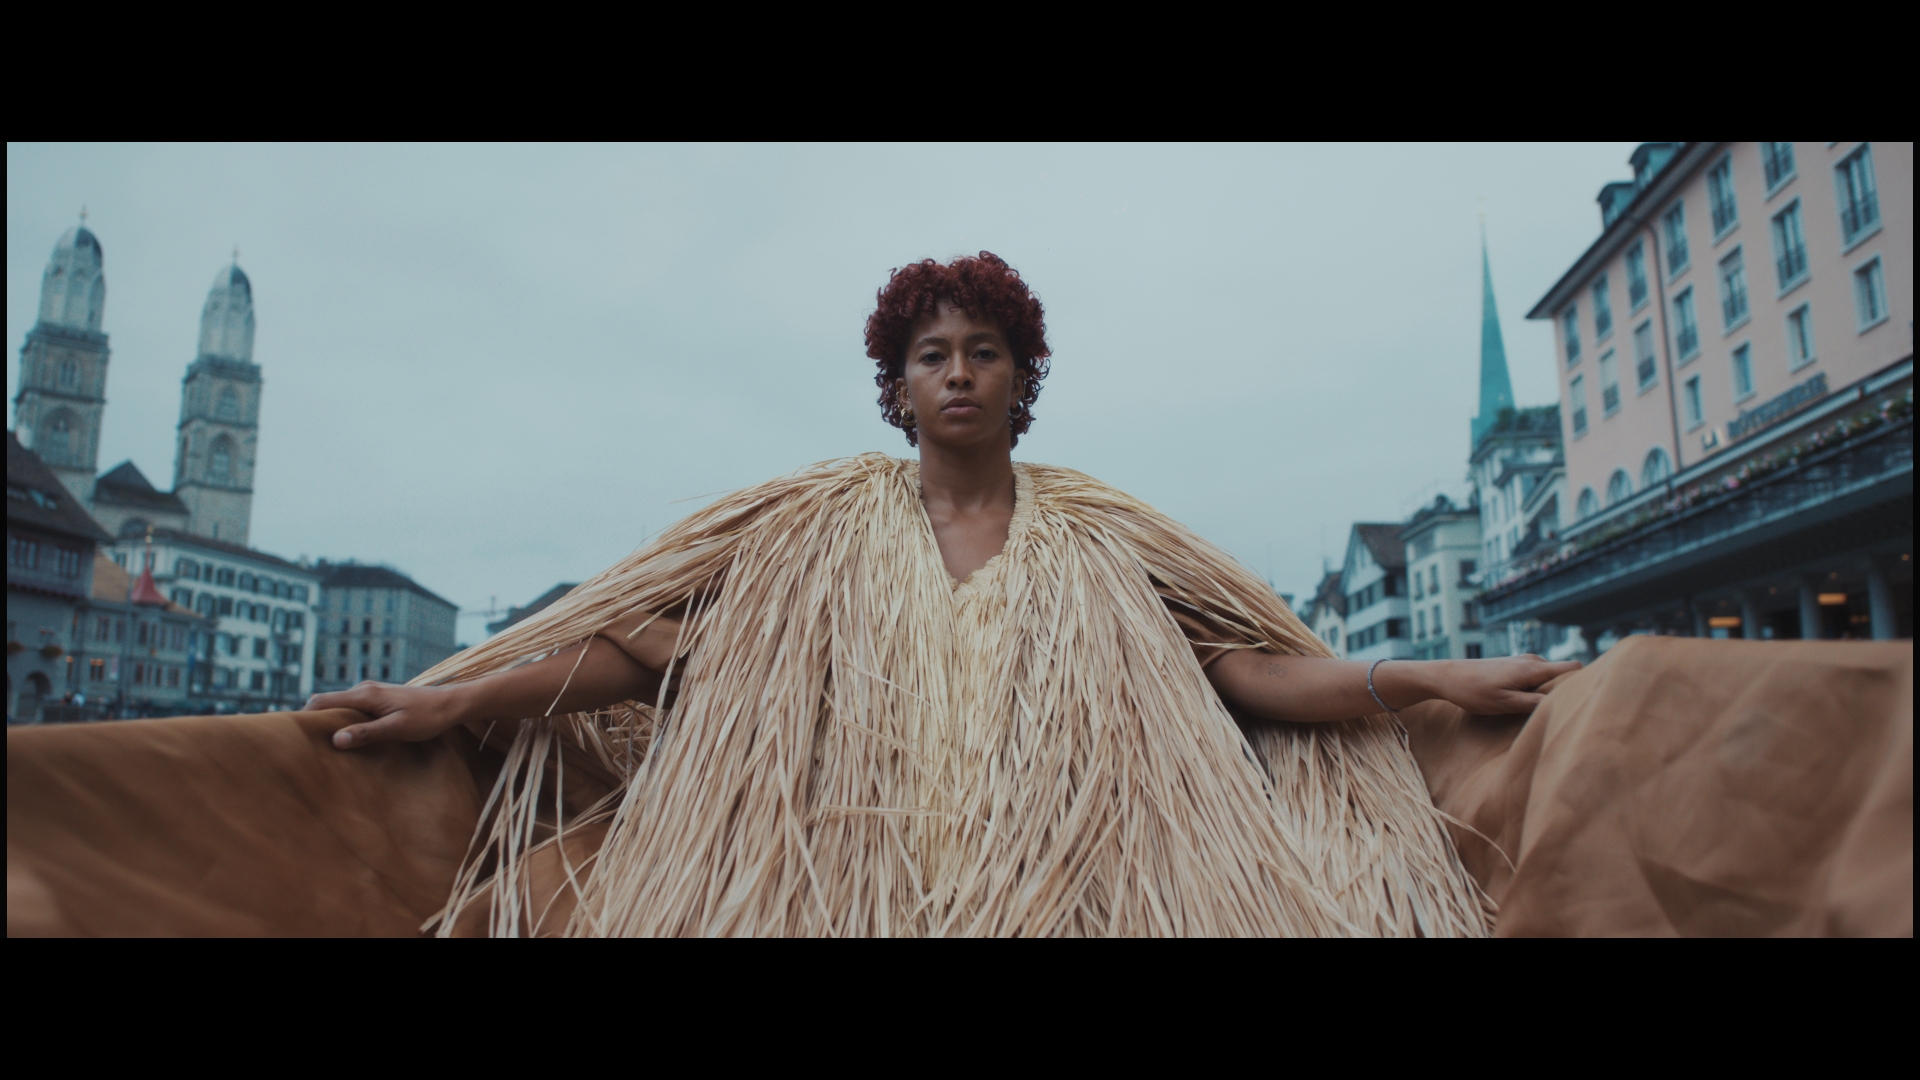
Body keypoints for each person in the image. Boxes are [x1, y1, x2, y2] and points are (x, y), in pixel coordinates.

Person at [314, 252, 1577, 937]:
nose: (959, 373)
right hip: (840, 885)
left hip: (1073, 891)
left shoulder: (1098, 545)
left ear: (1023, 379)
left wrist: (1427, 678)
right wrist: (457, 703)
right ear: (898, 387)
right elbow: (652, 655)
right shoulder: (815, 536)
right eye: (934, 356)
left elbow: (1240, 673)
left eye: (985, 352)